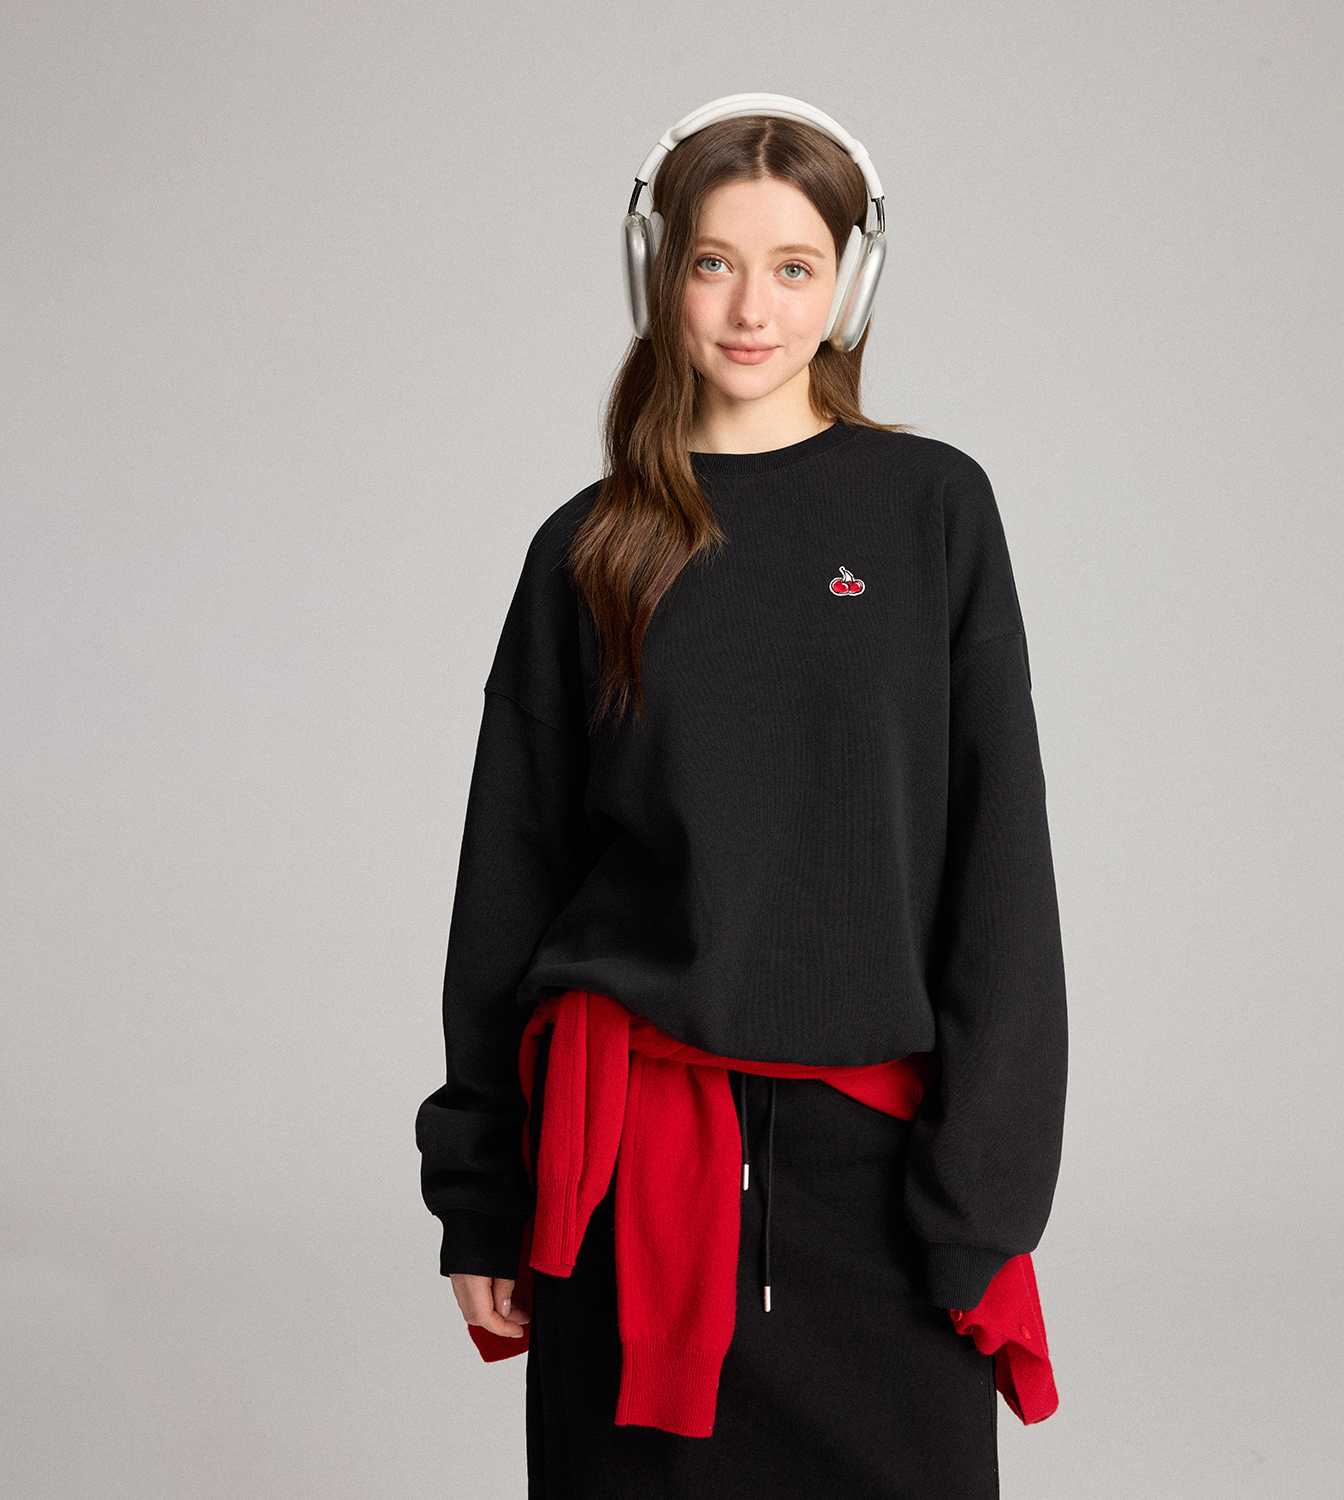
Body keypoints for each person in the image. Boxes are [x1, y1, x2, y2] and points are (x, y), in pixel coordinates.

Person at [415, 94, 1068, 1499]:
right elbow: (507, 881)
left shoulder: (933, 509)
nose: (752, 307)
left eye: (794, 265)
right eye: (714, 261)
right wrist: (481, 1197)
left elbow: (1001, 867)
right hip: (624, 1176)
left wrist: (985, 1197)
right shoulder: (590, 546)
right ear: (657, 273)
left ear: (851, 284)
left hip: (884, 1178)